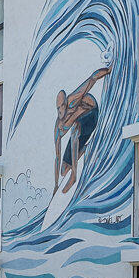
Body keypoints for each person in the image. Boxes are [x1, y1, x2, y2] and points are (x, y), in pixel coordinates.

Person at [54, 66, 110, 195]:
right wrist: (56, 185)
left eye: (63, 106)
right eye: (58, 108)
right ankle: (84, 149)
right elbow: (57, 157)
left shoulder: (73, 100)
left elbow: (92, 78)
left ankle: (74, 175)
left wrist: (109, 70)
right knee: (63, 169)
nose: (61, 110)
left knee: (75, 128)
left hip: (91, 114)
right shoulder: (58, 127)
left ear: (66, 102)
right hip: (81, 128)